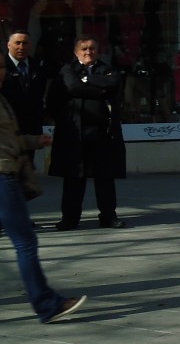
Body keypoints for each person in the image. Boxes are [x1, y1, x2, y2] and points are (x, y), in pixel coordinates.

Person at [0, 62, 87, 323]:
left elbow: (8, 138)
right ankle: (47, 304)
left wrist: (33, 140)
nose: (3, 71)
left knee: (25, 242)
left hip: (7, 172)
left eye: (3, 66)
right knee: (25, 242)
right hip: (2, 176)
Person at [46, 36, 128, 231]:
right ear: (76, 52)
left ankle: (108, 217)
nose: (88, 52)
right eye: (84, 49)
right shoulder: (68, 70)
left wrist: (87, 80)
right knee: (74, 179)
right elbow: (71, 87)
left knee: (105, 179)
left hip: (102, 135)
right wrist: (100, 89)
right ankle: (70, 219)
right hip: (75, 135)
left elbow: (114, 83)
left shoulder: (107, 69)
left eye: (92, 48)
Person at [2, 29, 47, 141]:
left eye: (25, 43)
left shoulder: (37, 67)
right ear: (8, 45)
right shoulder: (2, 66)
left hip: (32, 128)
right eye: (17, 43)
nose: (21, 47)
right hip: (7, 128)